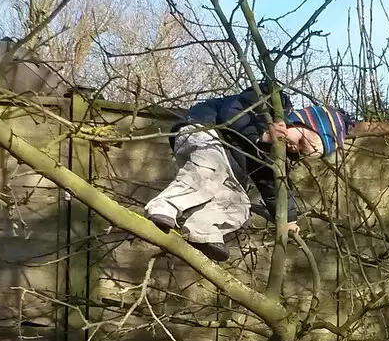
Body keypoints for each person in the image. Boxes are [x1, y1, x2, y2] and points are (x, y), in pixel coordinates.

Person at [143, 84, 348, 262]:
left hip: (227, 165)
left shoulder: (272, 157)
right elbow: (232, 112)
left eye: (302, 152)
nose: (295, 148)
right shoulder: (273, 102)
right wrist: (263, 134)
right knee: (209, 171)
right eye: (301, 142)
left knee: (240, 205)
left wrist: (288, 219)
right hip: (207, 132)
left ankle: (202, 229)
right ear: (303, 121)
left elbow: (273, 188)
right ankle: (165, 206)